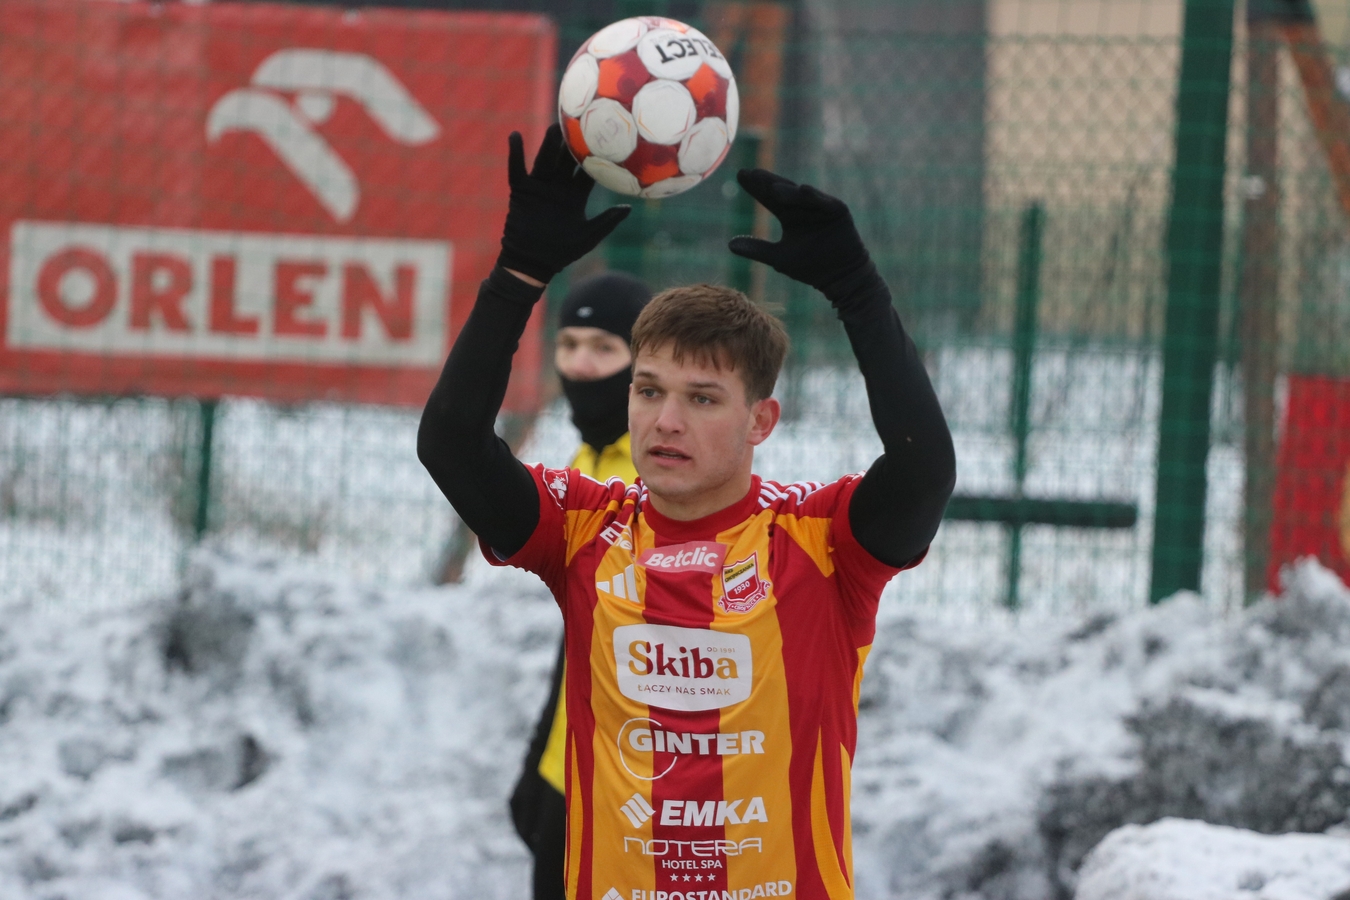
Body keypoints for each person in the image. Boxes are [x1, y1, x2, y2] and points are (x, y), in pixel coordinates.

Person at [418, 125, 955, 898]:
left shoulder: (821, 542)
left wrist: (859, 292)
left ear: (760, 421)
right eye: (649, 391)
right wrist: (519, 274)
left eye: (702, 399)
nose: (665, 421)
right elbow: (451, 442)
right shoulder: (584, 529)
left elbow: (923, 471)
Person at [511, 272, 651, 900]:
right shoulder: (582, 465)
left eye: (603, 347)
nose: (582, 365)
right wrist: (541, 757)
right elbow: (579, 634)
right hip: (566, 768)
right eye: (569, 345)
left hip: (634, 784)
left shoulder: (660, 471)